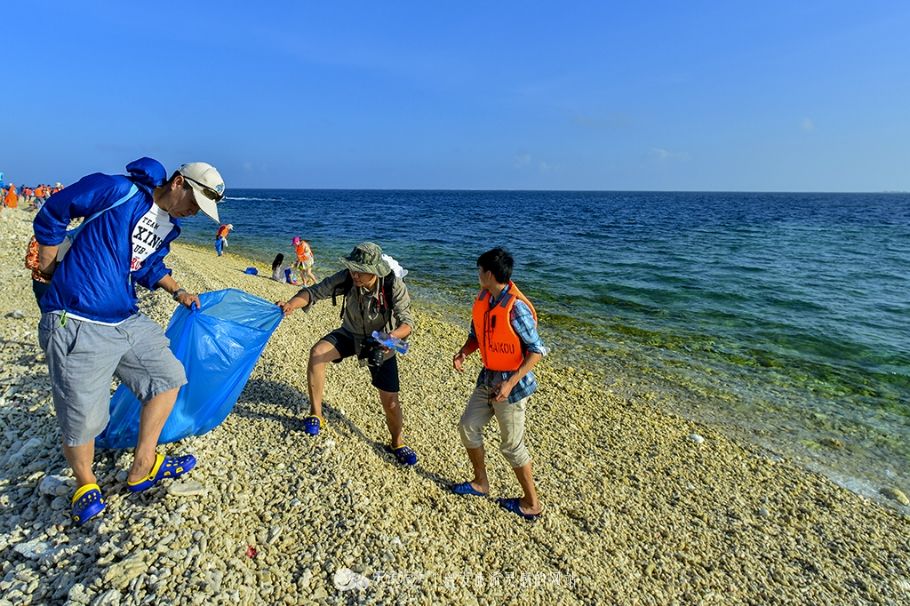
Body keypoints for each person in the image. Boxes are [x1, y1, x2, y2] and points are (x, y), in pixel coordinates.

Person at [32, 157, 226, 526]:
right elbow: (56, 209)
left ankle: (142, 465)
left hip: (125, 316)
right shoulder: (119, 190)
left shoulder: (168, 228)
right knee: (83, 414)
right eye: (194, 204)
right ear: (178, 182)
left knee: (168, 377)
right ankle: (85, 483)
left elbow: (146, 265)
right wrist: (46, 260)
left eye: (201, 211)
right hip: (78, 317)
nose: (193, 214)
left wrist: (178, 290)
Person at [278, 242, 418, 465]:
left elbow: (408, 322)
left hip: (380, 342)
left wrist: (391, 338)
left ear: (374, 271)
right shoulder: (347, 277)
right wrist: (291, 304)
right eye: (352, 268)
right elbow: (315, 291)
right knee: (317, 353)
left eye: (359, 271)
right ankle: (316, 415)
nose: (354, 274)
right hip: (350, 334)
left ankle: (398, 443)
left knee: (390, 400)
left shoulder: (393, 285)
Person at [451, 247, 546, 521]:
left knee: (512, 446)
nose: (477, 275)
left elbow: (537, 350)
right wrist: (464, 352)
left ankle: (532, 504)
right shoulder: (484, 299)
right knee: (468, 426)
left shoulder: (515, 308)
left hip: (512, 387)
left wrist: (510, 384)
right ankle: (481, 483)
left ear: (489, 274)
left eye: (479, 271)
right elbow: (477, 335)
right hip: (488, 378)